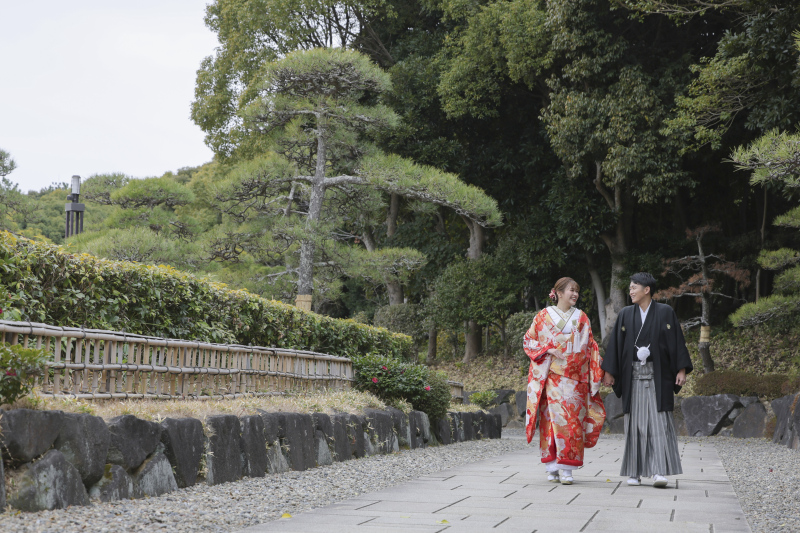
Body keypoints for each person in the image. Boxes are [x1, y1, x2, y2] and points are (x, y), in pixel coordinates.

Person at [601, 272, 693, 488]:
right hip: (632, 375)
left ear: (647, 289)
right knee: (635, 423)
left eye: (634, 287)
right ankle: (634, 472)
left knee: (659, 423)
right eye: (630, 287)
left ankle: (659, 471)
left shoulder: (665, 312)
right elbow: (616, 345)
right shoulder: (625, 314)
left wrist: (681, 369)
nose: (631, 291)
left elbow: (676, 342)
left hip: (658, 375)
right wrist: (609, 372)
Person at [523, 277, 605, 485]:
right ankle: (552, 467)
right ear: (558, 293)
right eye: (571, 290)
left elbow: (591, 346)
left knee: (572, 423)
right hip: (550, 377)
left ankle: (567, 469)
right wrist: (547, 350)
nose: (575, 294)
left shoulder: (582, 317)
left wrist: (598, 370)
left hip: (575, 380)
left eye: (577, 291)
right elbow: (529, 340)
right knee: (551, 422)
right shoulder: (543, 316)